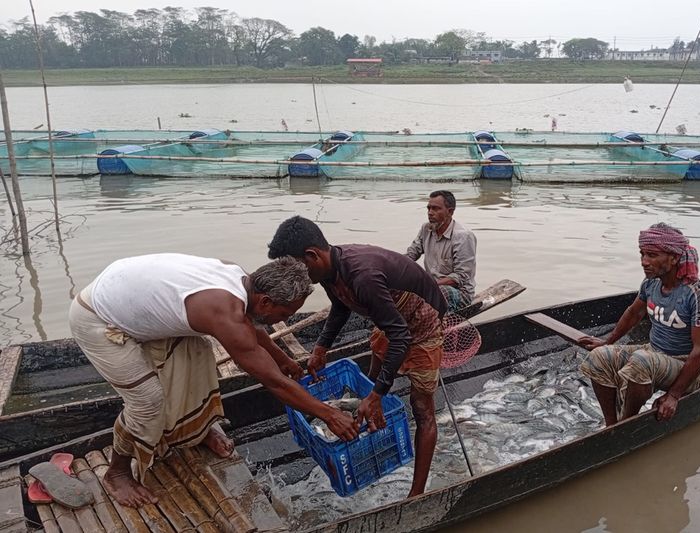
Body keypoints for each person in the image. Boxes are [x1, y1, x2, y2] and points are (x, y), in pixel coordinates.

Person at [68, 254, 358, 508]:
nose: (282, 319)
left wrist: (282, 359)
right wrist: (330, 414)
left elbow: (251, 325)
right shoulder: (223, 311)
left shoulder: (241, 279)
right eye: (284, 314)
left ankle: (198, 429)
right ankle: (117, 472)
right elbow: (275, 383)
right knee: (147, 402)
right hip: (97, 319)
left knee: (200, 352)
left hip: (125, 292)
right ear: (266, 300)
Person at [268, 216, 447, 498]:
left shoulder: (363, 277)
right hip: (390, 319)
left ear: (312, 256)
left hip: (422, 325)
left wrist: (376, 396)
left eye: (295, 269)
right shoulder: (328, 269)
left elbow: (401, 337)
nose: (294, 278)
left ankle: (417, 492)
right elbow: (340, 306)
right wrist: (320, 347)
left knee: (422, 409)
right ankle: (370, 421)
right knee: (371, 381)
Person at [577, 223, 700, 427]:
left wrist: (673, 396)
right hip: (655, 352)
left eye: (652, 255)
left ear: (674, 257)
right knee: (599, 357)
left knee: (642, 361)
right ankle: (611, 425)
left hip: (687, 365)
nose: (644, 261)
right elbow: (634, 312)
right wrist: (607, 342)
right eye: (642, 254)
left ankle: (627, 424)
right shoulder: (651, 282)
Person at [406, 190, 477, 311]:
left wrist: (429, 286)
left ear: (450, 211)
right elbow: (410, 255)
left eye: (435, 209)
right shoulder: (426, 229)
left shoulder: (463, 236)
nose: (430, 213)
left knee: (441, 292)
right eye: (428, 208)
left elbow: (461, 277)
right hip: (432, 287)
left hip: (459, 293)